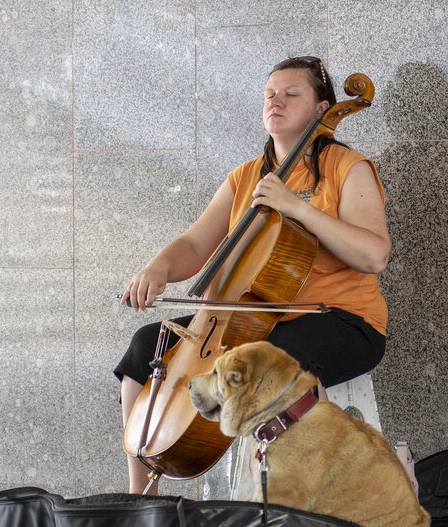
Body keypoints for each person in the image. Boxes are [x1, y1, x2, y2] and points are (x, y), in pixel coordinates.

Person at [116, 56, 391, 493]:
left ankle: (298, 502)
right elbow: (194, 245)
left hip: (343, 320)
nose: (275, 102)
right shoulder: (247, 175)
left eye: (291, 94)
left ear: (322, 108)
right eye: (269, 95)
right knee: (148, 346)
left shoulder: (347, 167)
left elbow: (374, 256)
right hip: (255, 318)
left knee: (268, 357)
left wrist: (295, 206)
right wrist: (159, 268)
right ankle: (138, 497)